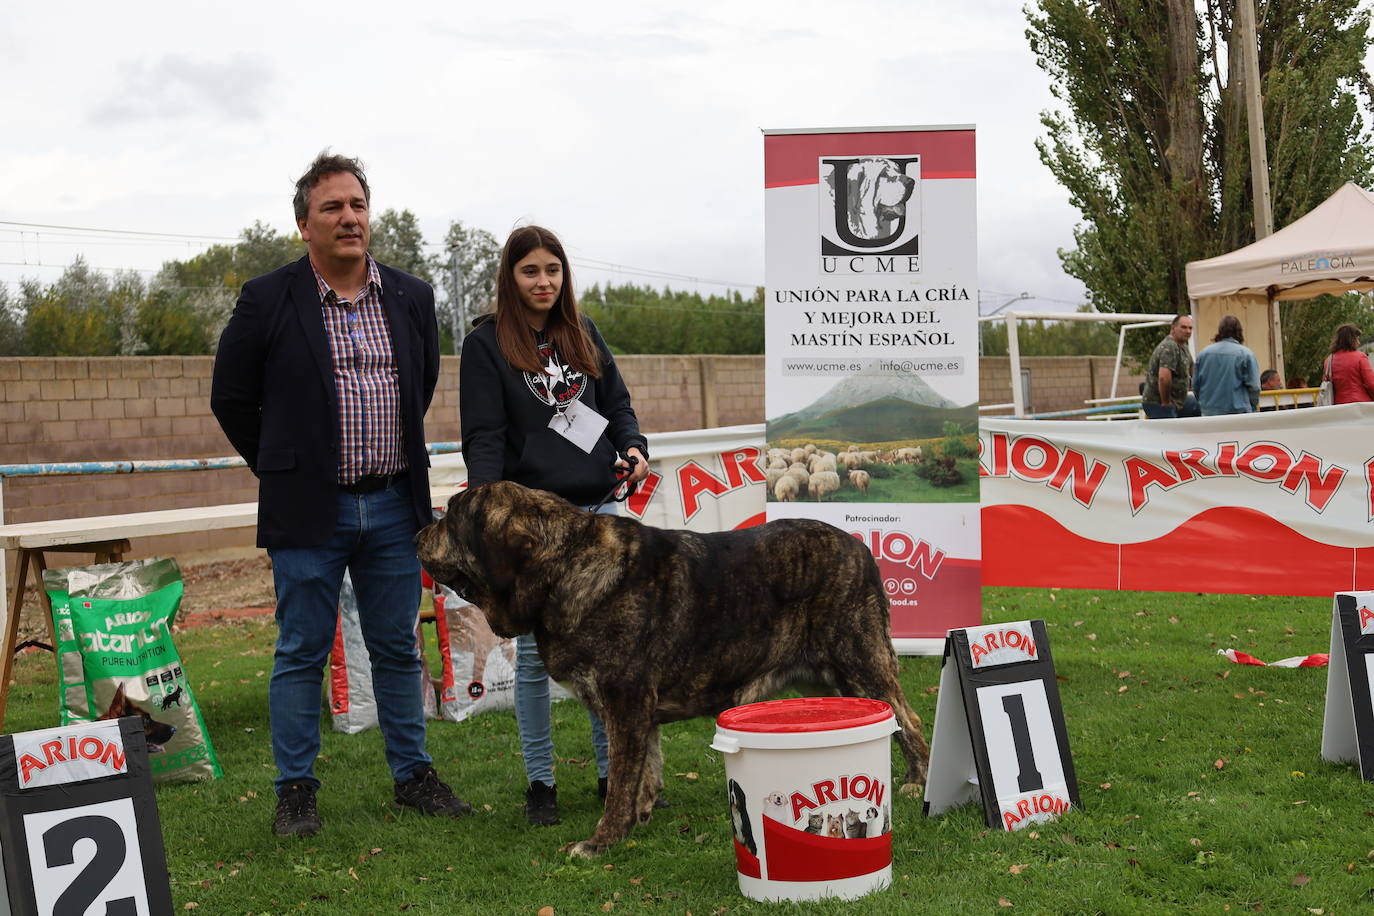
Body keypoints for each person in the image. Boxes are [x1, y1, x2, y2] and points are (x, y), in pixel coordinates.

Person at [211, 152, 470, 838]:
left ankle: (413, 775)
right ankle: (296, 790)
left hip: (392, 505)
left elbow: (422, 383)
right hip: (308, 507)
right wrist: (280, 465)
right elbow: (231, 397)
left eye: (357, 204)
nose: (349, 218)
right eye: (332, 207)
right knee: (300, 650)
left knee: (396, 645)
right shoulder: (269, 299)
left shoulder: (412, 297)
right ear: (304, 225)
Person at [459, 225, 650, 826]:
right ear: (510, 277)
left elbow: (616, 405)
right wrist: (487, 515)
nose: (544, 282)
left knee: (610, 655)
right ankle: (541, 783)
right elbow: (484, 437)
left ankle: (609, 776)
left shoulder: (582, 332)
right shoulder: (487, 345)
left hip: (600, 517)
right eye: (530, 271)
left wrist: (634, 445)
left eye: (553, 270)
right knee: (539, 661)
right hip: (534, 531)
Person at [1192, 315, 1260, 416]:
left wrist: (1204, 405)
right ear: (1239, 331)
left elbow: (1196, 385)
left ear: (1220, 331)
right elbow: (1254, 386)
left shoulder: (1203, 354)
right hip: (1238, 413)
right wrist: (1252, 406)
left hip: (1209, 413)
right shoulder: (1246, 354)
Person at [1140, 314, 1199, 419]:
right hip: (1158, 402)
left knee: (1199, 406)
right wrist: (1166, 403)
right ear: (1173, 328)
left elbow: (1193, 371)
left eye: (1190, 328)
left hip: (1178, 401)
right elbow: (1164, 378)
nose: (1188, 331)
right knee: (1170, 431)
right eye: (1184, 327)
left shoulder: (1183, 347)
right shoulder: (1169, 346)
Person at [1322, 323, 1374, 404]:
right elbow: (1371, 384)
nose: (1359, 342)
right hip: (1361, 406)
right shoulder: (1360, 357)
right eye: (1357, 339)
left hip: (1338, 406)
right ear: (1352, 339)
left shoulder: (1328, 361)